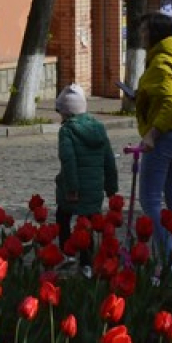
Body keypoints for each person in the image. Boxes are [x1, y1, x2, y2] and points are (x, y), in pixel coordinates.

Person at [133, 13, 172, 227]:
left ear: (153, 34)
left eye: (144, 30)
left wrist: (152, 135)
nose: (141, 35)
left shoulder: (161, 62)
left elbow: (171, 101)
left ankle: (166, 247)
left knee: (150, 199)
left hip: (164, 136)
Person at [54, 83, 117, 250]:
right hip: (94, 189)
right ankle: (87, 259)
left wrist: (72, 189)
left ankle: (67, 251)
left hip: (74, 190)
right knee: (88, 224)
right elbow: (109, 160)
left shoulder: (67, 131)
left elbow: (68, 161)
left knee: (62, 218)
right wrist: (111, 188)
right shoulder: (99, 128)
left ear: (66, 112)